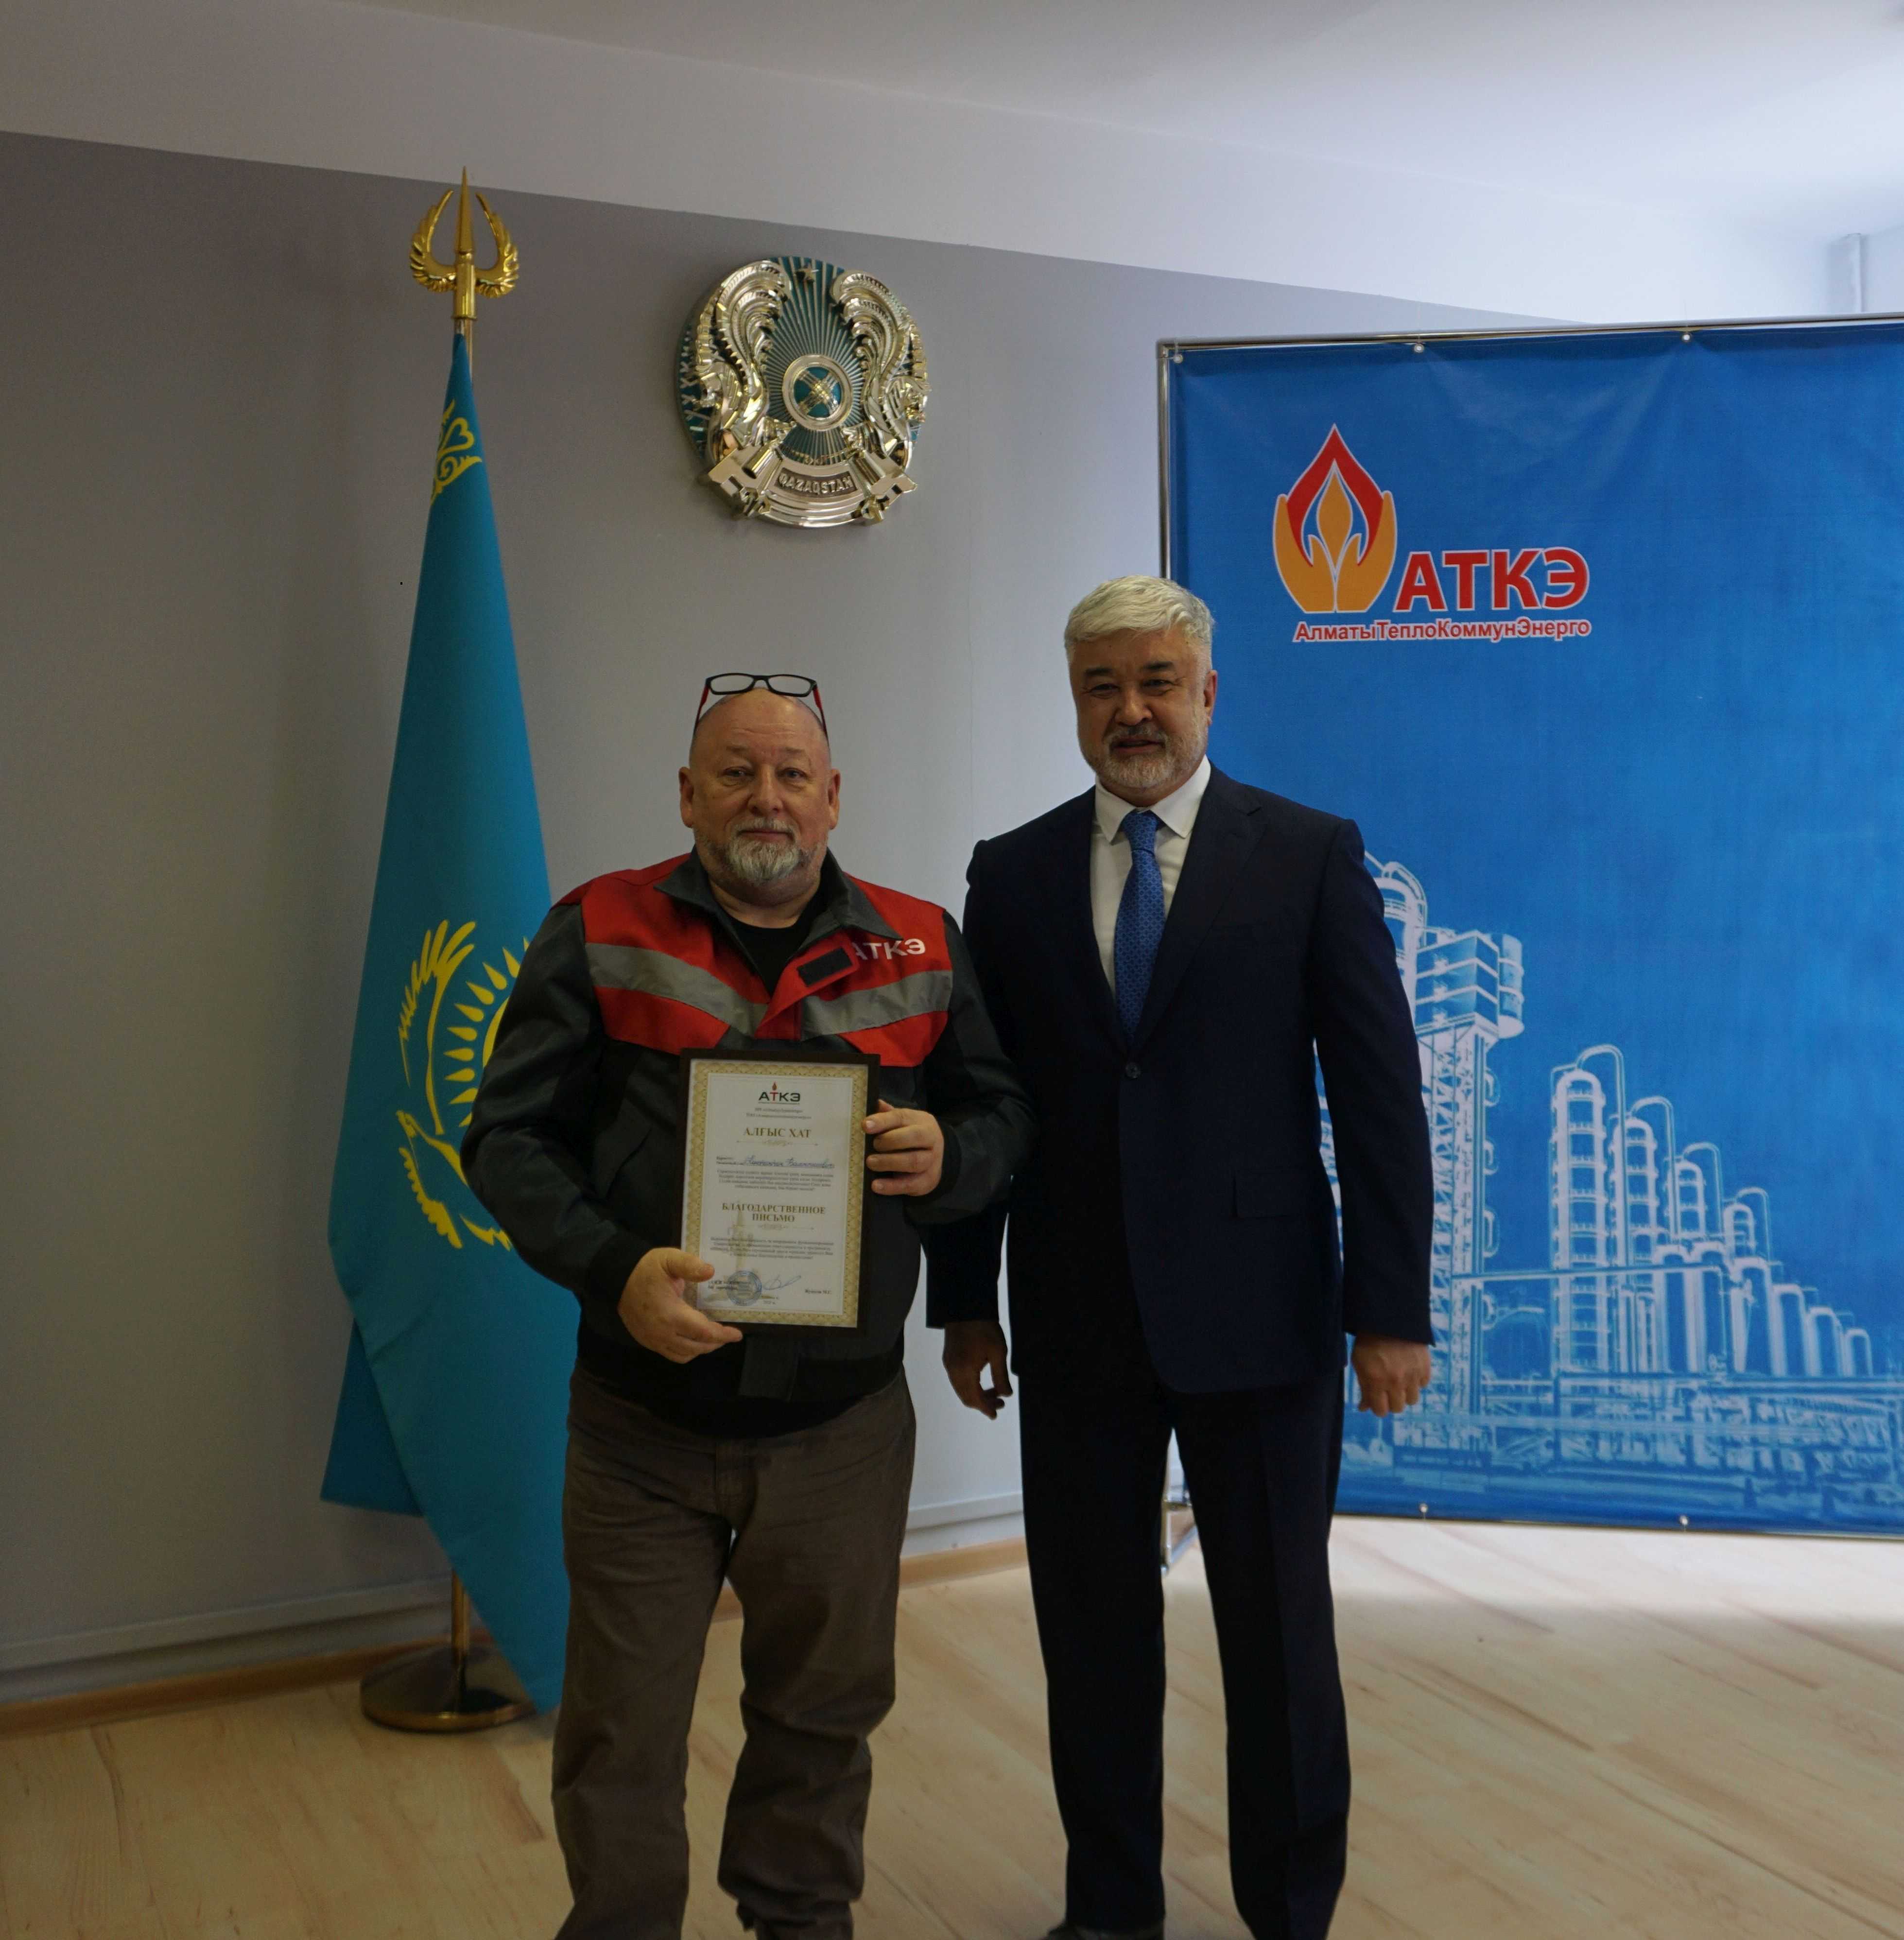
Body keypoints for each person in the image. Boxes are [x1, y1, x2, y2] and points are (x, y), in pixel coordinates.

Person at [463, 672, 1032, 1940]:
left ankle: (801, 1924)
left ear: (833, 798)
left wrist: (953, 1153)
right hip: (642, 1427)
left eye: (790, 774)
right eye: (735, 772)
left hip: (841, 1432)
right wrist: (616, 1268)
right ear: (687, 794)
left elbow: (1003, 1116)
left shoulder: (922, 943)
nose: (765, 796)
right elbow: (506, 1141)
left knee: (821, 1719)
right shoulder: (599, 927)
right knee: (619, 1733)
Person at [923, 578, 1434, 1940]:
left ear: (1209, 691)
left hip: (1264, 1318)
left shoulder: (1308, 853)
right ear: (1075, 701)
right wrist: (964, 1300)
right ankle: (1109, 1912)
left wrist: (1392, 1310)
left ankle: (1289, 1910)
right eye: (1104, 685)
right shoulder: (1011, 873)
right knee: (1092, 1635)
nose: (1133, 710)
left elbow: (1379, 1095)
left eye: (1158, 681)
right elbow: (983, 1097)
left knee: (1278, 1639)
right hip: (1076, 1312)